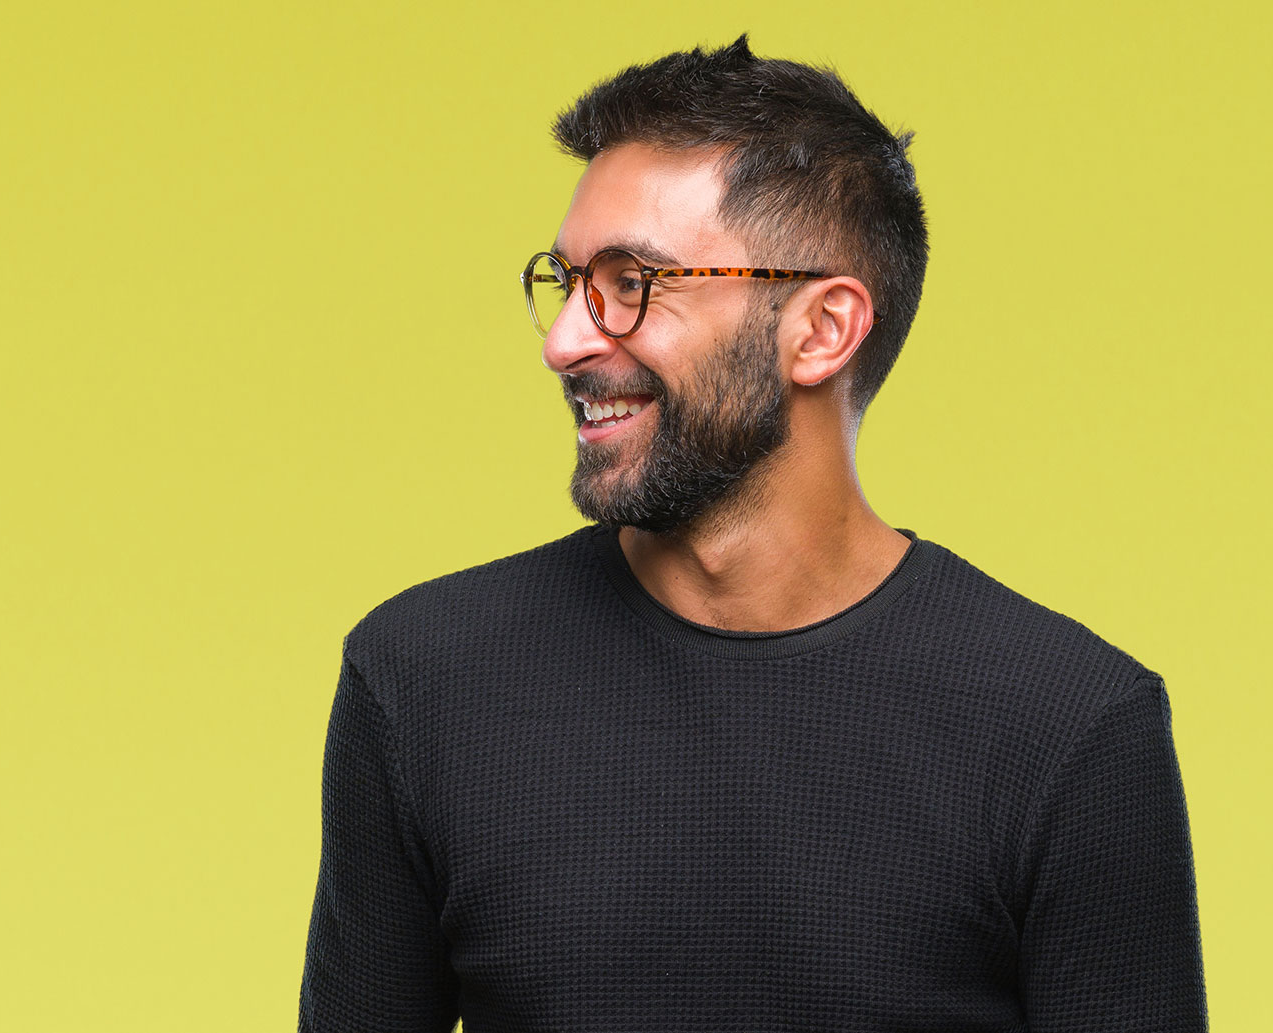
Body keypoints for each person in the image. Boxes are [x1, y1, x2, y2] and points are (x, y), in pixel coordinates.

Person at [298, 35, 1206, 1033]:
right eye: (566, 281)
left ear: (822, 330)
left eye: (632, 282)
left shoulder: (1070, 727)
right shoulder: (421, 681)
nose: (564, 341)